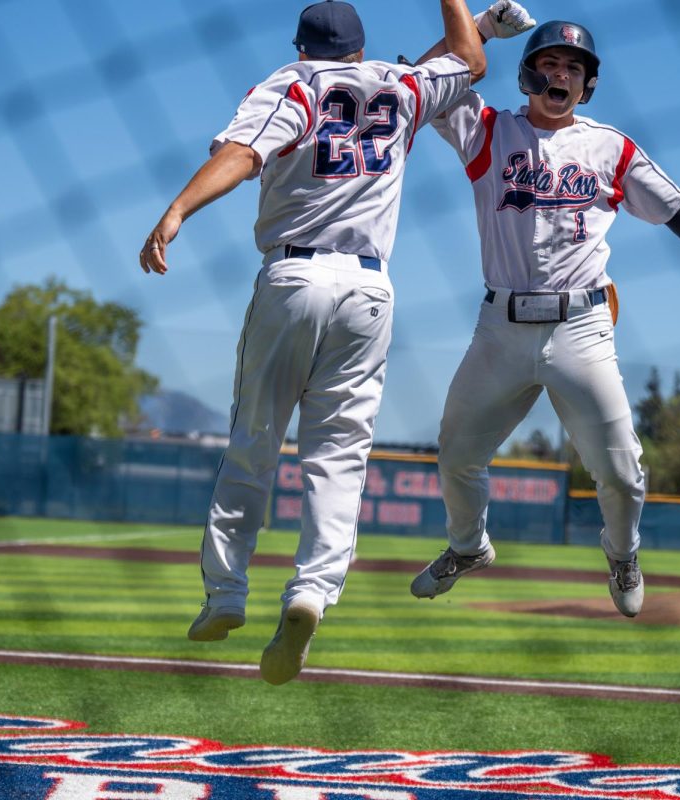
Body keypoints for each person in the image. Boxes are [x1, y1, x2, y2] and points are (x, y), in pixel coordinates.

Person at [140, 0, 492, 685]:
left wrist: (178, 208)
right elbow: (469, 60)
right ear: (361, 52)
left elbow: (243, 154)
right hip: (369, 291)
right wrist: (462, 11)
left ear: (301, 45)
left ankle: (226, 593)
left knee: (255, 443)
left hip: (293, 277)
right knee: (338, 460)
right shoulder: (398, 86)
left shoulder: (291, 83)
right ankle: (311, 592)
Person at [410, 20, 680, 617]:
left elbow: (676, 208)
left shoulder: (610, 145)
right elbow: (417, 85)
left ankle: (623, 553)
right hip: (499, 327)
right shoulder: (487, 129)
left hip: (580, 324)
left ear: (588, 86)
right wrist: (479, 30)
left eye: (575, 68)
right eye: (551, 64)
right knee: (455, 454)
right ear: (529, 73)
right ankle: (468, 547)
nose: (562, 75)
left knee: (621, 470)